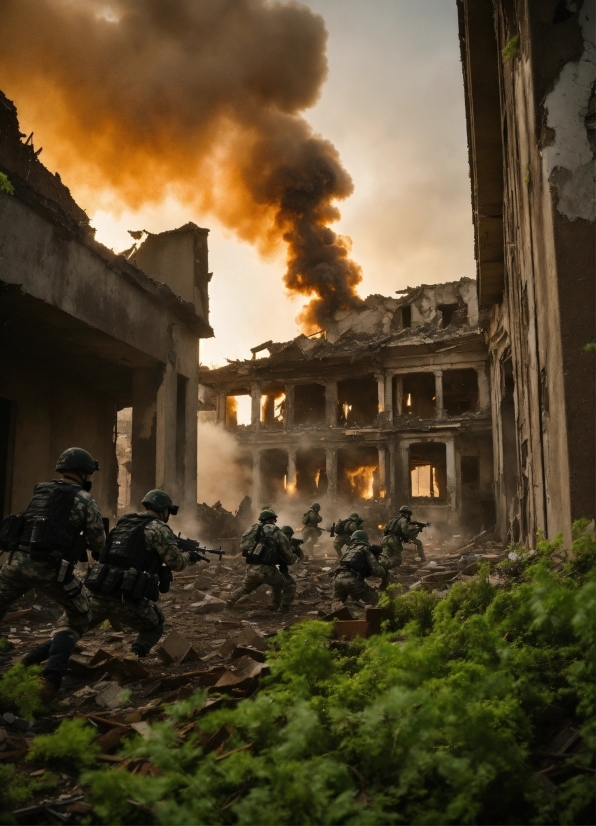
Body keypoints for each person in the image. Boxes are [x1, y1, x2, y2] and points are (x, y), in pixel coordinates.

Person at [0, 448, 105, 701]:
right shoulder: (84, 499)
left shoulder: (41, 490)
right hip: (50, 569)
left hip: (16, 563)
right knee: (80, 617)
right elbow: (99, 543)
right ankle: (51, 679)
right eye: (88, 472)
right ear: (82, 472)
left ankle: (22, 667)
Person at [228, 509, 296, 613]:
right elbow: (288, 556)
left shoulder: (252, 529)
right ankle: (283, 609)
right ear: (272, 519)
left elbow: (243, 546)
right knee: (290, 584)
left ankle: (230, 601)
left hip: (251, 569)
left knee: (245, 588)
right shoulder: (277, 532)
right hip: (266, 570)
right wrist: (294, 557)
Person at [333, 530, 386, 605]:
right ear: (365, 540)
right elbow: (377, 571)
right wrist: (384, 571)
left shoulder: (349, 550)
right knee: (376, 602)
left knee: (337, 604)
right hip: (352, 580)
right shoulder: (366, 549)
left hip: (337, 579)